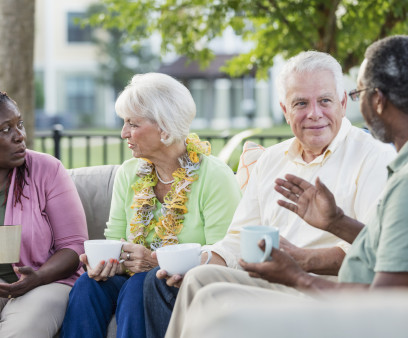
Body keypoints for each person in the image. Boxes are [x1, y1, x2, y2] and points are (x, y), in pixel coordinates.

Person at [164, 35, 408, 337]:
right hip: (280, 280)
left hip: (333, 295)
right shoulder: (272, 159)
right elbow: (240, 238)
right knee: (200, 277)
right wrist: (337, 222)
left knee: (211, 297)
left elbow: (386, 299)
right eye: (301, 103)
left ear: (347, 102)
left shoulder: (381, 161)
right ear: (285, 109)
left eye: (326, 101)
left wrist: (300, 269)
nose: (314, 113)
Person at [60, 73, 242, 338]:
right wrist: (110, 262)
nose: (123, 133)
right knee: (89, 284)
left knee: (140, 286)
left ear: (165, 127)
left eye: (133, 124)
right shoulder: (129, 173)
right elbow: (116, 238)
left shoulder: (214, 176)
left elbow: (224, 254)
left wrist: (156, 261)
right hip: (137, 279)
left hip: (187, 282)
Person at [0, 92, 88, 337]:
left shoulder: (47, 170)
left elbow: (74, 247)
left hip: (47, 283)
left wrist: (36, 277)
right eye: (5, 129)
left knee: (22, 330)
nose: (20, 136)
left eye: (19, 124)